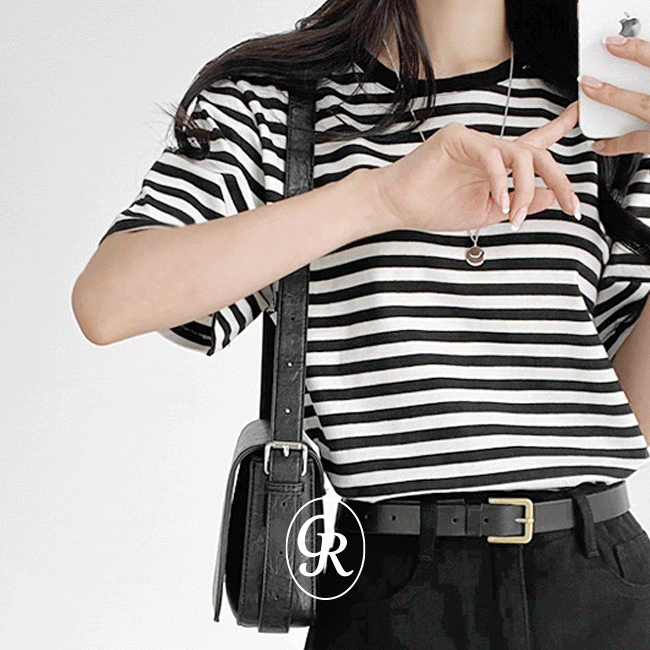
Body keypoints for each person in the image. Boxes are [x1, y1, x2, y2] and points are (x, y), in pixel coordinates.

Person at [71, 0, 650, 648]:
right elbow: (108, 301)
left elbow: (632, 410)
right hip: (391, 589)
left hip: (602, 579)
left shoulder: (610, 110)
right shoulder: (278, 104)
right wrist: (381, 197)